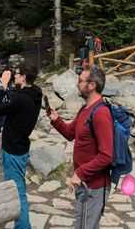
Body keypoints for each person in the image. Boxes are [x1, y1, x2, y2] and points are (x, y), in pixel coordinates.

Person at [49, 67, 116, 229]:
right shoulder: (85, 109)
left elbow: (107, 156)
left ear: (91, 85)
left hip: (94, 187)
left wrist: (80, 173)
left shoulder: (100, 113)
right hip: (84, 185)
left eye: (80, 81)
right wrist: (56, 120)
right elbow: (70, 133)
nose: (77, 84)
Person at [0, 64, 43, 229]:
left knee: (17, 193)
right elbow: (15, 98)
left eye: (17, 75)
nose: (14, 77)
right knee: (17, 189)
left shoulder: (21, 99)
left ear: (24, 77)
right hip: (21, 146)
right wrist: (9, 90)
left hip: (13, 150)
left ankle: (23, 226)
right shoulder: (35, 94)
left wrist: (2, 86)